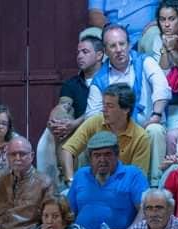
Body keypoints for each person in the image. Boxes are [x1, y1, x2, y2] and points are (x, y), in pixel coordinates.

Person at [83, 24, 170, 186]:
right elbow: (92, 115)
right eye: (112, 46)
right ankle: (112, 186)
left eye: (122, 44)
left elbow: (162, 88)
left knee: (155, 131)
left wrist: (156, 115)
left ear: (129, 45)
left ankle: (154, 186)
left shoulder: (145, 61)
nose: (118, 50)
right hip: (117, 132)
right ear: (105, 51)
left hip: (149, 123)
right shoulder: (100, 79)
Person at [36, 35, 104, 190]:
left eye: (85, 52)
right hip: (76, 132)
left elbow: (102, 111)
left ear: (99, 55)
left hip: (101, 127)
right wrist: (54, 120)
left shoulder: (108, 78)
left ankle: (75, 180)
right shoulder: (72, 83)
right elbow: (64, 105)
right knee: (59, 116)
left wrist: (75, 123)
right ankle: (68, 180)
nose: (79, 56)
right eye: (78, 52)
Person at [66, 131, 149, 229]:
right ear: (90, 158)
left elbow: (145, 208)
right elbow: (68, 213)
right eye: (97, 155)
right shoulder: (81, 175)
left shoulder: (133, 174)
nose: (102, 159)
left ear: (117, 155)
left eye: (107, 154)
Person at [62, 83, 152, 185]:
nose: (104, 110)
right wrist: (70, 180)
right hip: (92, 184)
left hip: (123, 188)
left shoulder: (140, 137)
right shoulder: (95, 122)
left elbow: (137, 179)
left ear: (126, 109)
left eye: (110, 106)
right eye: (104, 105)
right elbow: (68, 150)